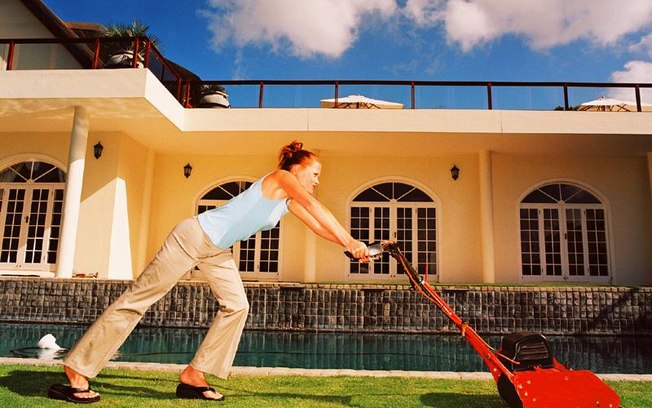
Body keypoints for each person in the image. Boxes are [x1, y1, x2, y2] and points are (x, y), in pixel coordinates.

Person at [48, 140, 370, 403]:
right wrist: (350, 240)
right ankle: (78, 368)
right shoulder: (280, 178)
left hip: (216, 249)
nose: (317, 180)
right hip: (193, 236)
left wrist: (355, 247)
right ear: (296, 169)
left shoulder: (285, 202)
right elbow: (318, 208)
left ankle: (194, 374)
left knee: (238, 305)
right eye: (314, 173)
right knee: (138, 300)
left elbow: (318, 225)